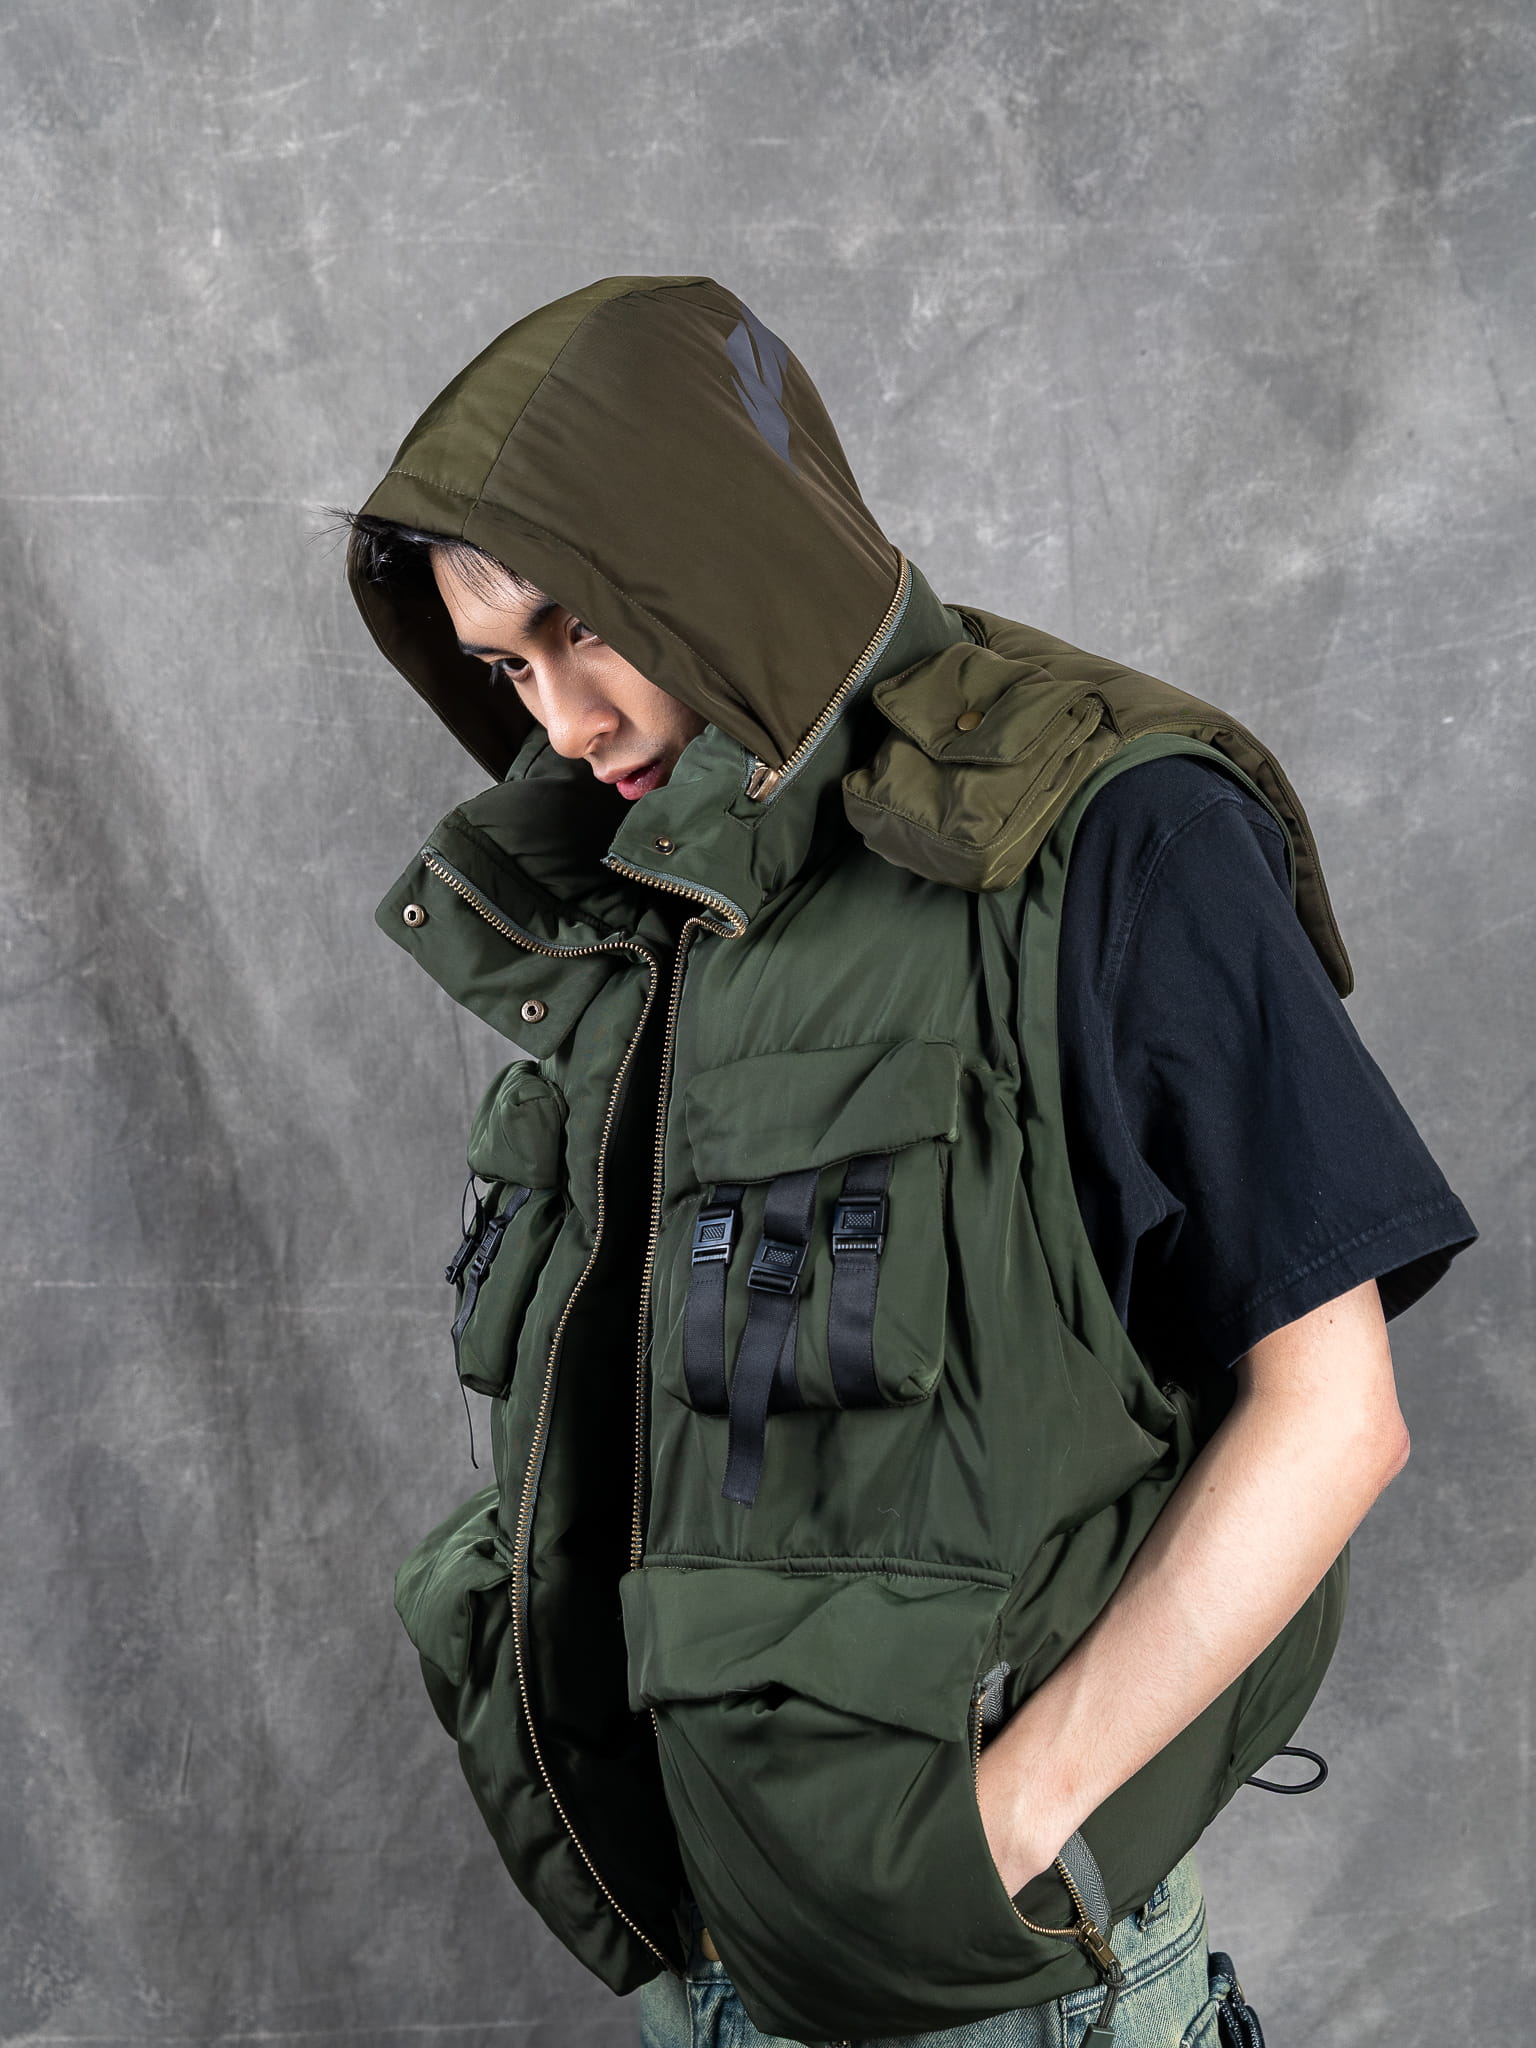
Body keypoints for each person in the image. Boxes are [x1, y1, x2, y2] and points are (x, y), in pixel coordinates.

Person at [342, 275, 1476, 2048]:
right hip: (711, 1969)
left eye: (583, 630)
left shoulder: (1113, 832)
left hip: (994, 1986)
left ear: (717, 548)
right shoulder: (665, 891)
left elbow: (1335, 1417)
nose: (561, 723)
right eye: (506, 669)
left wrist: (1008, 1834)